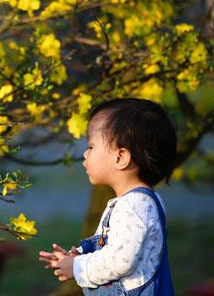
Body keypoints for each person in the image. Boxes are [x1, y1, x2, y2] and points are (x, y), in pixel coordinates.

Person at [38, 98, 176, 295]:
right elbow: (118, 249)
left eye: (91, 146)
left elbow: (121, 260)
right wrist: (78, 256)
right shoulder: (137, 202)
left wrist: (78, 267)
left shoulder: (135, 205)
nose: (85, 154)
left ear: (120, 158)